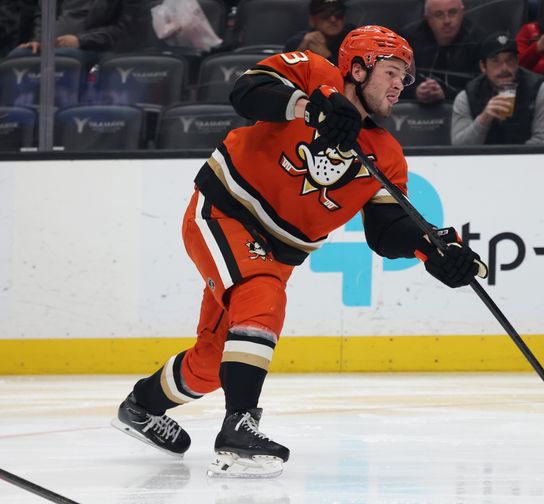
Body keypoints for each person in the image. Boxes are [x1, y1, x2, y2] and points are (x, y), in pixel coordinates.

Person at [110, 25, 487, 478]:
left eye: (404, 77)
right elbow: (247, 91)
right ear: (358, 68)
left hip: (274, 254)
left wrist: (434, 250)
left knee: (213, 362)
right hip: (225, 210)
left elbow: (387, 230)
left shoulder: (385, 154)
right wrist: (311, 107)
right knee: (262, 297)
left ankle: (141, 406)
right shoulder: (312, 72)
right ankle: (238, 427)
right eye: (391, 72)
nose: (399, 85)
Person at [451, 32, 544, 145]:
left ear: (517, 61)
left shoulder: (541, 89)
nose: (504, 68)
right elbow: (459, 147)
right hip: (485, 157)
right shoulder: (467, 96)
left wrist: (509, 156)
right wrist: (483, 120)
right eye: (496, 61)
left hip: (525, 157)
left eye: (510, 60)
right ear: (483, 66)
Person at [9, 0, 143, 74]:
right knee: (19, 56)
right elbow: (43, 14)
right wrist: (38, 40)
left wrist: (80, 41)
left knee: (64, 57)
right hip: (53, 45)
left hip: (93, 48)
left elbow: (125, 30)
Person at [401, 0, 485, 103]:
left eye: (452, 12)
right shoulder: (409, 40)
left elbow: (482, 89)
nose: (447, 21)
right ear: (427, 18)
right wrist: (415, 91)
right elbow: (392, 80)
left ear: (462, 12)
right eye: (438, 14)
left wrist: (447, 94)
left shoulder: (478, 41)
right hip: (413, 107)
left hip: (459, 106)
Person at [283, 0, 356, 64]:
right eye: (325, 15)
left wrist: (327, 57)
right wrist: (300, 53)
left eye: (338, 14)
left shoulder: (354, 41)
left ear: (344, 18)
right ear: (312, 20)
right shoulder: (296, 43)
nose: (333, 19)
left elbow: (355, 73)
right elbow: (283, 73)